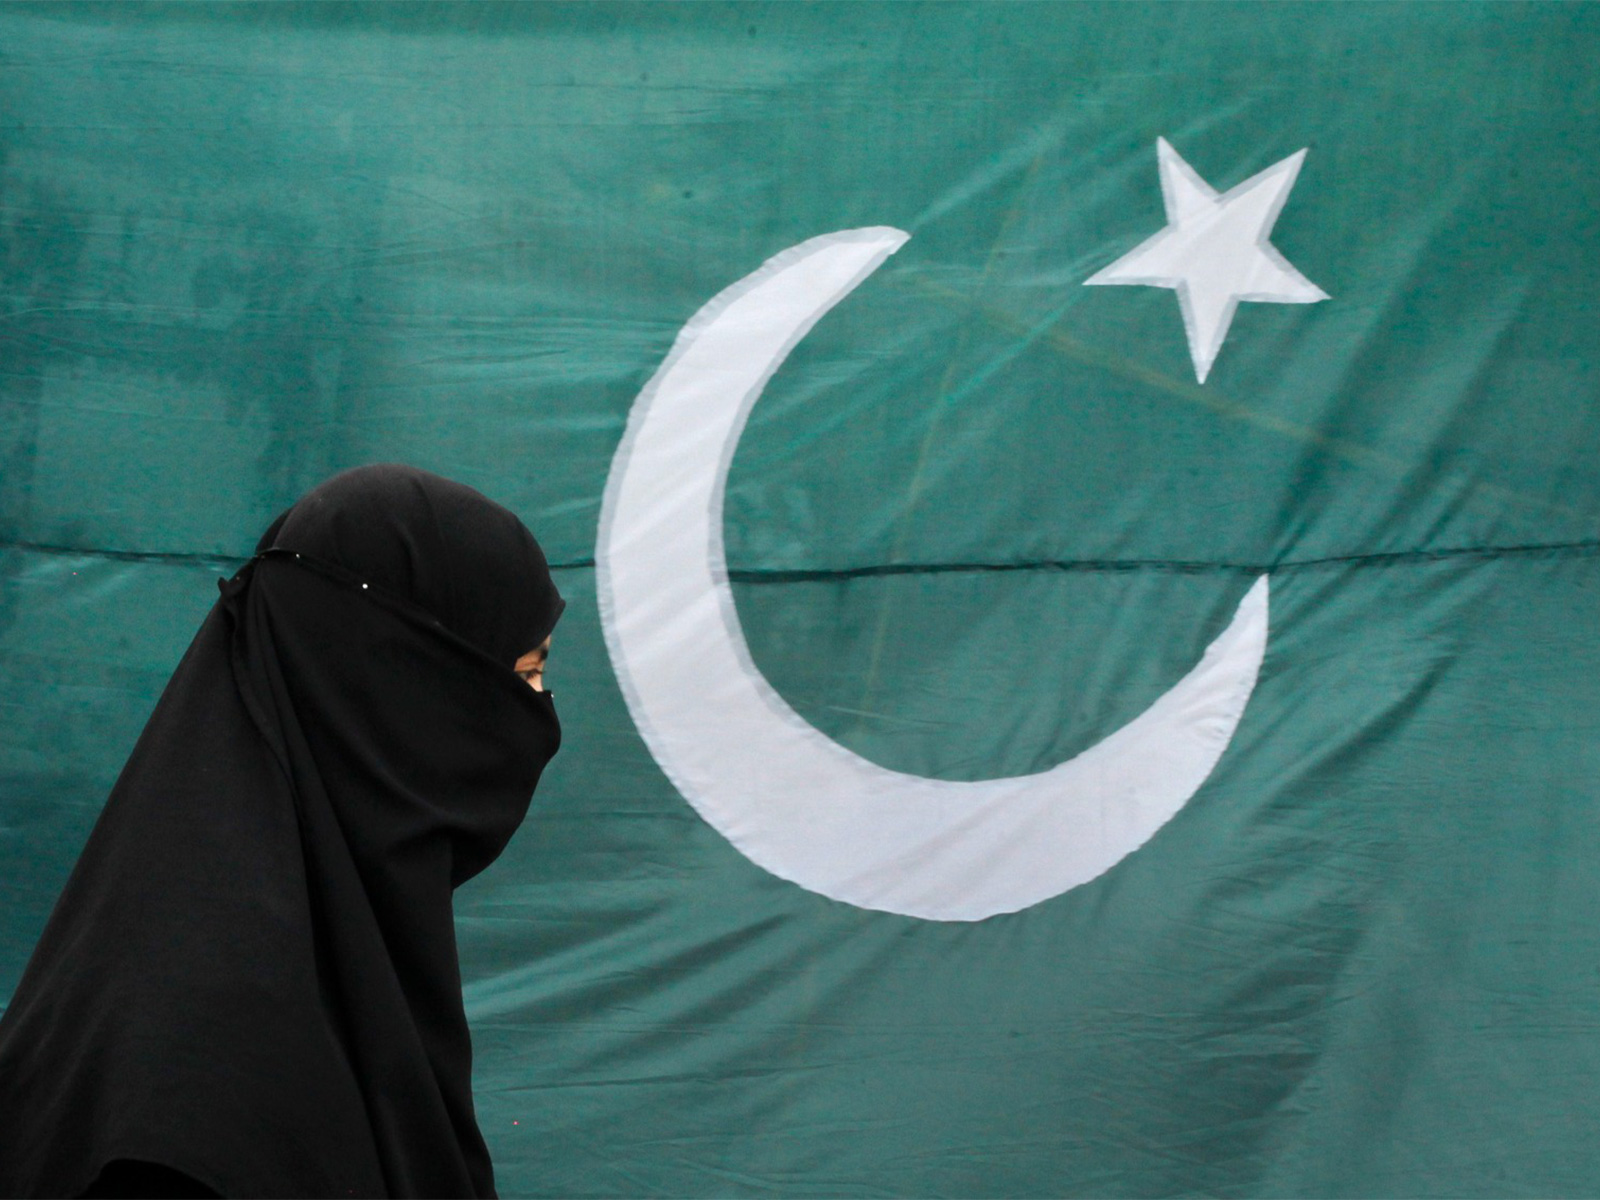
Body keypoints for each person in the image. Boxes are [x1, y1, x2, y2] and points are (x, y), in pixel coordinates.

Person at [0, 464, 564, 1199]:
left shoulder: (321, 959)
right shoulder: (203, 1089)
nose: (541, 715)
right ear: (404, 687)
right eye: (524, 673)